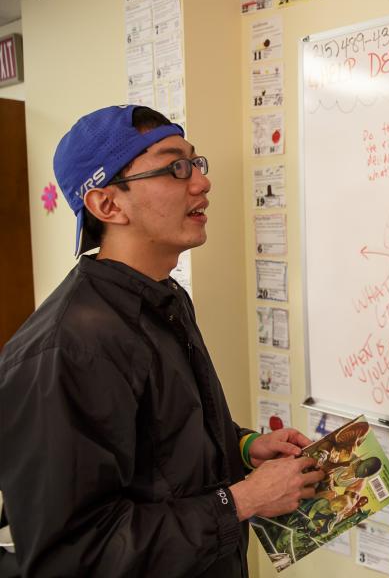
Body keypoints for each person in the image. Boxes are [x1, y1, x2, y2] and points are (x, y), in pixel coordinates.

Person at [0, 106, 324, 577]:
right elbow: (71, 556)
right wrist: (241, 500)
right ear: (106, 205)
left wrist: (243, 447)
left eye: (196, 163)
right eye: (175, 167)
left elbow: (156, 448)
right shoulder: (65, 350)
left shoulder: (164, 299)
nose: (201, 182)